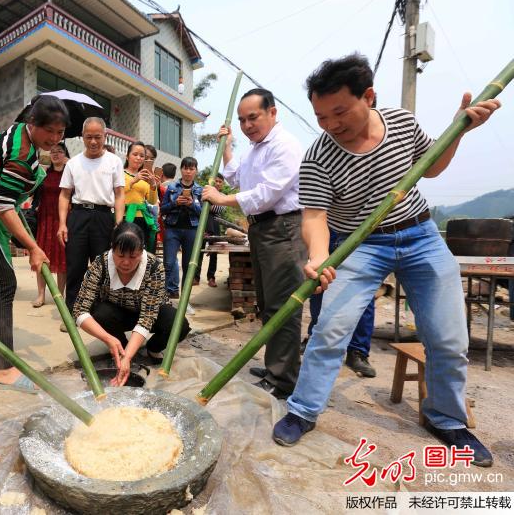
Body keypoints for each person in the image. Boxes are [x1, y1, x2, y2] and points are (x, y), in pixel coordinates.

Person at [271, 54, 500, 468]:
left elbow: (430, 169)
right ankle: (302, 410)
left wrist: (459, 131)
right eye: (321, 116)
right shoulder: (318, 156)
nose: (330, 124)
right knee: (330, 331)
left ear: (369, 96)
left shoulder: (401, 122)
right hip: (360, 246)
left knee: (449, 338)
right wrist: (320, 258)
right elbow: (315, 217)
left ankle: (446, 419)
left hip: (420, 234)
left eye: (339, 112)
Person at [0, 95, 68, 392]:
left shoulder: (19, 129)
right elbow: (5, 207)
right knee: (4, 284)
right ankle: (3, 369)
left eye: (60, 133)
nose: (55, 139)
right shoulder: (20, 154)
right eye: (50, 132)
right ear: (32, 124)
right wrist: (33, 247)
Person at [203, 88, 306, 400]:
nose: (248, 125)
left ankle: (283, 379)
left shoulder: (284, 145)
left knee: (282, 306)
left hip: (283, 228)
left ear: (272, 113)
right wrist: (229, 147)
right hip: (262, 230)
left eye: (253, 117)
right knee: (266, 302)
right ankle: (278, 366)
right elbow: (237, 177)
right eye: (242, 120)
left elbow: (267, 192)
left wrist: (221, 198)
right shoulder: (256, 148)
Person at [73, 222, 190, 384]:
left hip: (150, 313)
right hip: (116, 312)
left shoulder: (154, 266)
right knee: (101, 313)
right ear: (112, 248)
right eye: (120, 256)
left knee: (179, 324)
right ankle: (120, 347)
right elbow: (79, 311)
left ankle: (152, 348)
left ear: (142, 251)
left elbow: (147, 317)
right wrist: (107, 338)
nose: (126, 263)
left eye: (133, 256)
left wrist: (129, 356)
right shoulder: (100, 264)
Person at [58, 117, 125, 317]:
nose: (93, 142)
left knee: (102, 267)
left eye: (98, 137)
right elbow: (64, 195)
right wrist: (62, 223)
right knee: (75, 267)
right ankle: (73, 313)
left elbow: (120, 194)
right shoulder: (73, 163)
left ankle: (99, 313)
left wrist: (119, 224)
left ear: (105, 136)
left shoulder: (114, 162)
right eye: (89, 137)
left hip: (104, 218)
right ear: (82, 137)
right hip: (77, 216)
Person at [305, 231, 377, 378]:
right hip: (328, 230)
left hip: (359, 232)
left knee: (362, 291)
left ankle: (357, 352)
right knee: (318, 284)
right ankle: (313, 339)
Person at [32, 141, 69, 308]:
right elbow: (35, 193)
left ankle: (60, 295)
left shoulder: (70, 173)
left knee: (62, 259)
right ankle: (41, 295)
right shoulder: (44, 173)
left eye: (59, 151)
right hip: (45, 219)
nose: (55, 154)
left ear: (65, 154)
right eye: (53, 151)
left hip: (62, 220)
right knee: (42, 256)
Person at [161, 156, 203, 299]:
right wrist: (175, 203)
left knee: (188, 265)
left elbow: (203, 213)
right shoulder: (172, 187)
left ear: (196, 171)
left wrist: (192, 204)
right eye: (185, 168)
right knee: (169, 263)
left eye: (191, 169)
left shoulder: (200, 190)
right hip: (172, 229)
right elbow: (163, 209)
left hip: (192, 230)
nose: (188, 172)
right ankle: (168, 295)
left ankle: (185, 299)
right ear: (181, 169)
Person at [123, 141, 159, 253]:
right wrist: (134, 180)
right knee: (126, 250)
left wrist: (153, 186)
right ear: (127, 156)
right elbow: (117, 194)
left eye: (142, 156)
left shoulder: (146, 177)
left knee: (141, 252)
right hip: (125, 216)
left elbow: (152, 201)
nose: (138, 158)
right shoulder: (120, 174)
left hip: (142, 218)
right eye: (135, 154)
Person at [195, 173, 226, 288]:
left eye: (220, 182)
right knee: (199, 251)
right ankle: (196, 277)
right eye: (216, 181)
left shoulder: (223, 195)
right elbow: (199, 206)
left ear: (222, 185)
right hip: (203, 223)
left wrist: (209, 203)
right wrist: (210, 203)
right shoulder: (204, 192)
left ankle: (211, 277)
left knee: (214, 252)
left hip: (214, 224)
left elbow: (219, 208)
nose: (217, 183)